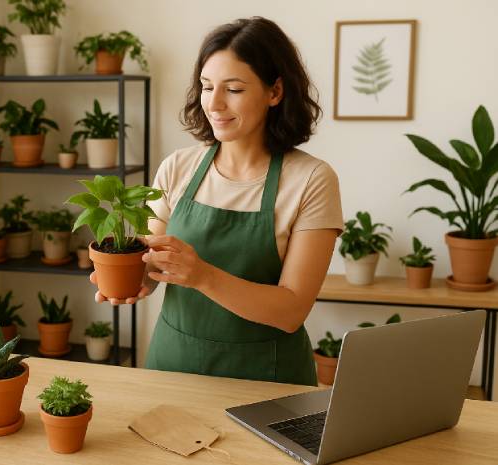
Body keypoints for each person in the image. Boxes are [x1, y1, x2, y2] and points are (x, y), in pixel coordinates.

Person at [89, 17, 343, 386]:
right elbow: (152, 257)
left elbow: (292, 310)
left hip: (267, 381)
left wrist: (203, 276)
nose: (215, 103)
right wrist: (132, 275)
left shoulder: (312, 181)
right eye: (207, 87)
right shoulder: (179, 167)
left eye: (234, 89)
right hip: (172, 366)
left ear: (275, 92)